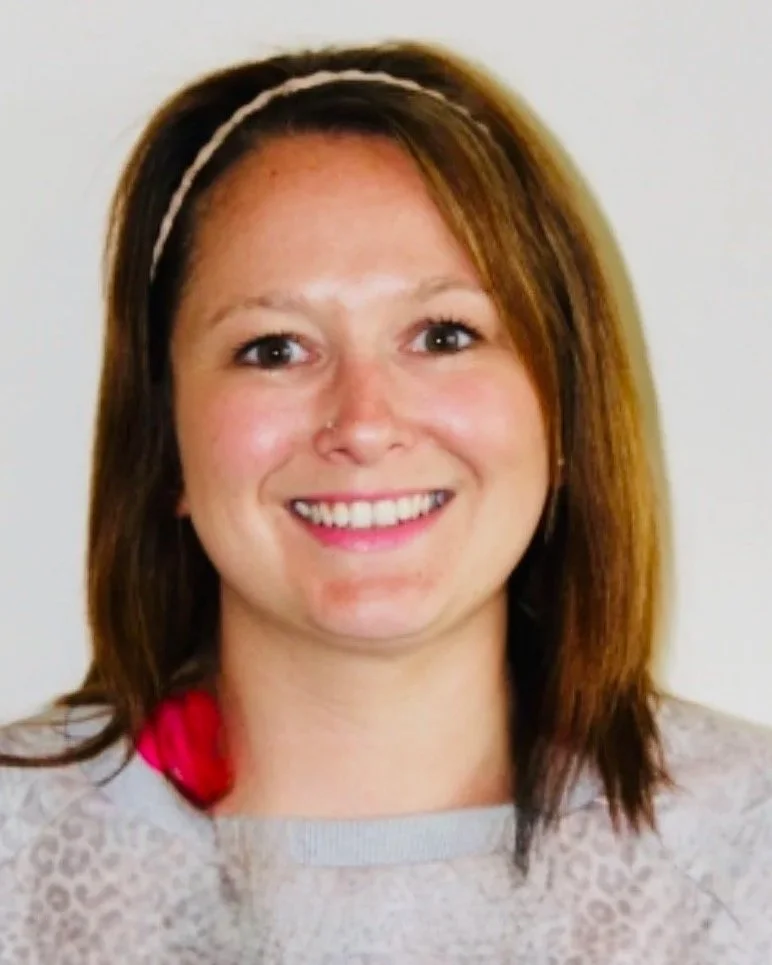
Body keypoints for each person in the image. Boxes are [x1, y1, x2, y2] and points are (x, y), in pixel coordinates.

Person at [0, 39, 770, 964]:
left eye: (443, 334)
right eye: (275, 347)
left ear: (564, 414)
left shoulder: (744, 860)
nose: (363, 423)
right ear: (164, 441)